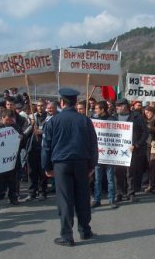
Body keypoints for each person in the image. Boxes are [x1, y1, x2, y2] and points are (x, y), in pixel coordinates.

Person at [42, 88, 98, 247]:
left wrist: (46, 166)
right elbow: (94, 144)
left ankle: (67, 236)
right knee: (83, 197)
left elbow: (46, 147)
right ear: (75, 103)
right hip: (81, 163)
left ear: (61, 103)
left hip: (61, 164)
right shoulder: (85, 120)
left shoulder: (53, 121)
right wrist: (92, 164)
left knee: (65, 200)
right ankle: (85, 230)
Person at [113, 98, 148, 202]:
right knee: (118, 172)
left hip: (131, 150)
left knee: (130, 173)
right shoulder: (114, 117)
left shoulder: (136, 117)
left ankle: (131, 193)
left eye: (119, 106)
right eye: (116, 106)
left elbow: (145, 132)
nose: (117, 108)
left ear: (125, 106)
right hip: (117, 150)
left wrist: (136, 145)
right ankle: (119, 192)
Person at [0, 110, 21, 208]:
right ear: (2, 118)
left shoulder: (15, 127)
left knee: (12, 180)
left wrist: (21, 137)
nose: (9, 122)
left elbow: (21, 141)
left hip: (12, 159)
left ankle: (13, 197)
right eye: (7, 120)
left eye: (11, 120)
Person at [91, 101, 118, 209]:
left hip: (110, 155)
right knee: (97, 179)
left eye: (97, 109)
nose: (95, 110)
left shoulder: (112, 120)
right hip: (98, 155)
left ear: (102, 109)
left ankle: (111, 199)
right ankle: (97, 199)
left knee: (110, 178)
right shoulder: (94, 120)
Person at [25, 99, 48, 201]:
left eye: (42, 105)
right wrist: (31, 125)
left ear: (45, 106)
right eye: (38, 106)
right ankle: (32, 193)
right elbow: (24, 133)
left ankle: (42, 192)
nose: (40, 107)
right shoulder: (31, 117)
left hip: (44, 148)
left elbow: (52, 132)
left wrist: (42, 132)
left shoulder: (49, 118)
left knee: (43, 172)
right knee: (31, 172)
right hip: (32, 148)